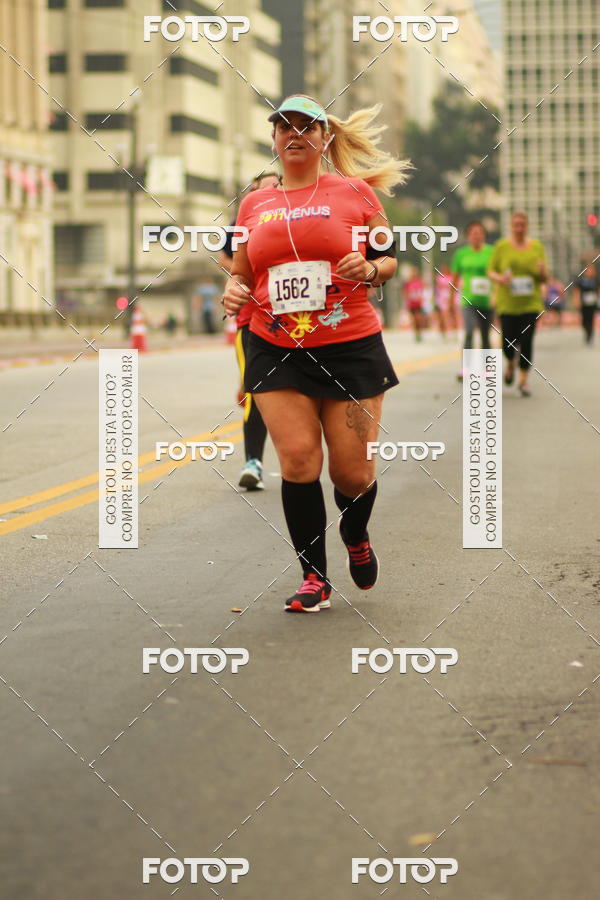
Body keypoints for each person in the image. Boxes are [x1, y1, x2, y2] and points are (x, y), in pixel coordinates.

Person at [223, 94, 409, 612]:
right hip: (276, 345)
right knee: (299, 460)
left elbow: (388, 257)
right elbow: (242, 270)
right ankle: (314, 577)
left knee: (353, 475)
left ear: (326, 138)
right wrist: (233, 291)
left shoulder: (356, 194)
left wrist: (369, 270)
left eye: (307, 126)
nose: (294, 134)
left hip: (349, 346)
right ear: (274, 139)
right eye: (284, 126)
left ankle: (355, 533)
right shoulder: (253, 205)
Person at [220, 172, 280, 490]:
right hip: (251, 319)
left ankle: (303, 459)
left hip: (296, 322)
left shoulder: (298, 217)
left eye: (275, 185)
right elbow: (227, 261)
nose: (268, 191)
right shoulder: (241, 220)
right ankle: (252, 462)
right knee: (255, 393)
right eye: (261, 187)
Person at [488, 211, 548, 397]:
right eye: (516, 225)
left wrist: (541, 271)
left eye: (523, 224)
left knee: (528, 341)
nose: (519, 228)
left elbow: (544, 277)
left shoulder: (537, 247)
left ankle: (523, 380)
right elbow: (491, 271)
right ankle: (511, 363)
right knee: (508, 343)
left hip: (531, 304)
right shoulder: (502, 246)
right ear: (511, 227)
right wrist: (501, 278)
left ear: (527, 226)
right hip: (508, 304)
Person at [450, 221, 495, 381]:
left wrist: (496, 295)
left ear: (484, 235)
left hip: (487, 300)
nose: (477, 236)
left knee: (485, 335)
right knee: (468, 331)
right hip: (467, 299)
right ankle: (466, 368)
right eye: (473, 233)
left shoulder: (491, 252)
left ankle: (486, 369)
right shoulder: (461, 254)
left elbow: (498, 273)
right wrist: (450, 299)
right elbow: (454, 278)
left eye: (480, 233)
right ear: (468, 236)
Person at [573, 263, 598, 344]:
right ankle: (586, 330)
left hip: (593, 303)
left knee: (591, 319)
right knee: (584, 320)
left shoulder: (596, 280)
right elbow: (577, 291)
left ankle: (590, 335)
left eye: (591, 270)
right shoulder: (581, 280)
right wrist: (577, 301)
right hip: (583, 303)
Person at [403, 267, 427, 341]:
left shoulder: (420, 282)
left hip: (418, 303)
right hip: (411, 304)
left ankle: (419, 333)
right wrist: (406, 299)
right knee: (414, 320)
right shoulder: (408, 283)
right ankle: (416, 334)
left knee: (418, 319)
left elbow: (424, 291)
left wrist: (423, 299)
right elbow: (405, 292)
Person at [433, 265, 454, 338]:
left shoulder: (451, 277)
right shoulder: (439, 278)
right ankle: (444, 330)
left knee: (450, 315)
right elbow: (437, 288)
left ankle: (451, 330)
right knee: (443, 316)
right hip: (441, 299)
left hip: (450, 298)